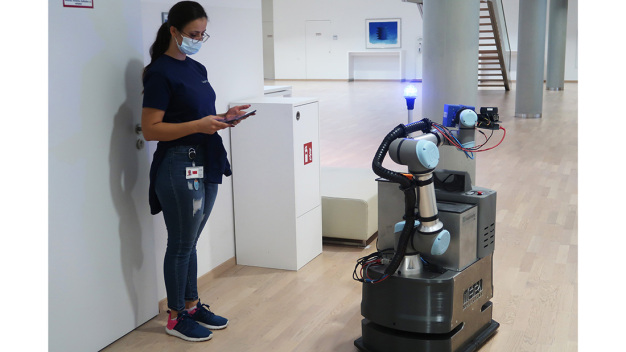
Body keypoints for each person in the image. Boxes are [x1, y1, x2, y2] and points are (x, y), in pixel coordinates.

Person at [141, 0, 251, 342]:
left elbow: (197, 117)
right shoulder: (160, 72)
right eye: (193, 33)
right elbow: (151, 129)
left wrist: (223, 117)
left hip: (206, 159)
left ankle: (190, 304)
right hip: (178, 164)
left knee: (190, 241)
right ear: (173, 31)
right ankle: (175, 317)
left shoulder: (196, 68)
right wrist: (200, 125)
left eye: (203, 34)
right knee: (181, 243)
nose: (198, 39)